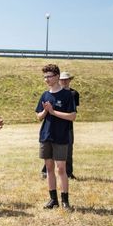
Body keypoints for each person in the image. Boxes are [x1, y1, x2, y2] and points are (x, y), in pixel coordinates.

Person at [35, 64, 77, 209]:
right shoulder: (45, 95)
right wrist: (46, 111)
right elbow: (39, 116)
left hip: (61, 136)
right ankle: (53, 200)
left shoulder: (67, 95)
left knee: (61, 169)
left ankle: (65, 200)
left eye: (49, 76)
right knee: (49, 168)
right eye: (45, 77)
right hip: (46, 135)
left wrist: (53, 112)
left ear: (57, 76)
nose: (46, 79)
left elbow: (72, 116)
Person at [41, 71, 80, 179]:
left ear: (70, 80)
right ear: (59, 80)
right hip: (52, 126)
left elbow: (72, 111)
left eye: (66, 79)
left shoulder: (73, 94)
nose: (64, 81)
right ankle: (45, 171)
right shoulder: (51, 93)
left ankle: (68, 172)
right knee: (49, 151)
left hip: (67, 127)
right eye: (62, 80)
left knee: (68, 150)